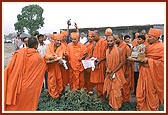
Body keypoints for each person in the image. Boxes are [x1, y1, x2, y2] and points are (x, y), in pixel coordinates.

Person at [4, 37, 46, 111]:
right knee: (27, 106)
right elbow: (44, 68)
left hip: (16, 84)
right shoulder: (38, 58)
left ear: (27, 44)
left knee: (16, 106)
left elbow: (9, 68)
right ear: (36, 45)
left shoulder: (19, 53)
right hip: (29, 87)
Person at [136, 28, 164, 111]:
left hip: (153, 74)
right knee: (141, 91)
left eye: (150, 37)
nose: (148, 39)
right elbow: (142, 56)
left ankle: (151, 109)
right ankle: (142, 108)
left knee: (151, 92)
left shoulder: (161, 47)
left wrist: (149, 60)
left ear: (157, 37)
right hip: (143, 72)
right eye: (148, 36)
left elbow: (163, 63)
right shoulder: (147, 46)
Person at [103, 35, 126, 110]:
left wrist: (113, 72)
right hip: (109, 72)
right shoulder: (107, 50)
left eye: (111, 41)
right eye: (108, 41)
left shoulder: (119, 50)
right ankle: (111, 103)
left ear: (114, 41)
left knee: (116, 90)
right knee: (110, 88)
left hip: (117, 72)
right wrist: (108, 69)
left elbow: (122, 62)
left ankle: (117, 105)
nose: (109, 42)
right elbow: (106, 61)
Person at [44, 33, 67, 98]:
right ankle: (53, 95)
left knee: (59, 79)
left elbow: (62, 55)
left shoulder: (63, 46)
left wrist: (62, 58)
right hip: (51, 66)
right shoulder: (49, 46)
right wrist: (51, 57)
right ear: (54, 40)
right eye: (57, 40)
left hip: (59, 67)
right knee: (52, 81)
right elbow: (46, 55)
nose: (59, 42)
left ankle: (59, 93)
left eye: (60, 41)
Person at [114, 33, 132, 102]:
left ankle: (126, 100)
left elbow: (129, 60)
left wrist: (127, 70)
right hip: (119, 68)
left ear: (120, 39)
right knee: (120, 84)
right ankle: (121, 99)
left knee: (125, 85)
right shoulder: (117, 46)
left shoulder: (126, 47)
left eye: (116, 39)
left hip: (125, 68)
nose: (114, 40)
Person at [90, 30, 107, 97]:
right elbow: (93, 54)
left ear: (98, 35)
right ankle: (99, 93)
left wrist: (100, 60)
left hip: (102, 64)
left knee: (101, 80)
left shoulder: (104, 42)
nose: (93, 38)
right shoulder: (95, 43)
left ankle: (103, 94)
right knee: (96, 80)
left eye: (94, 36)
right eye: (92, 37)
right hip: (95, 64)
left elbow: (106, 54)